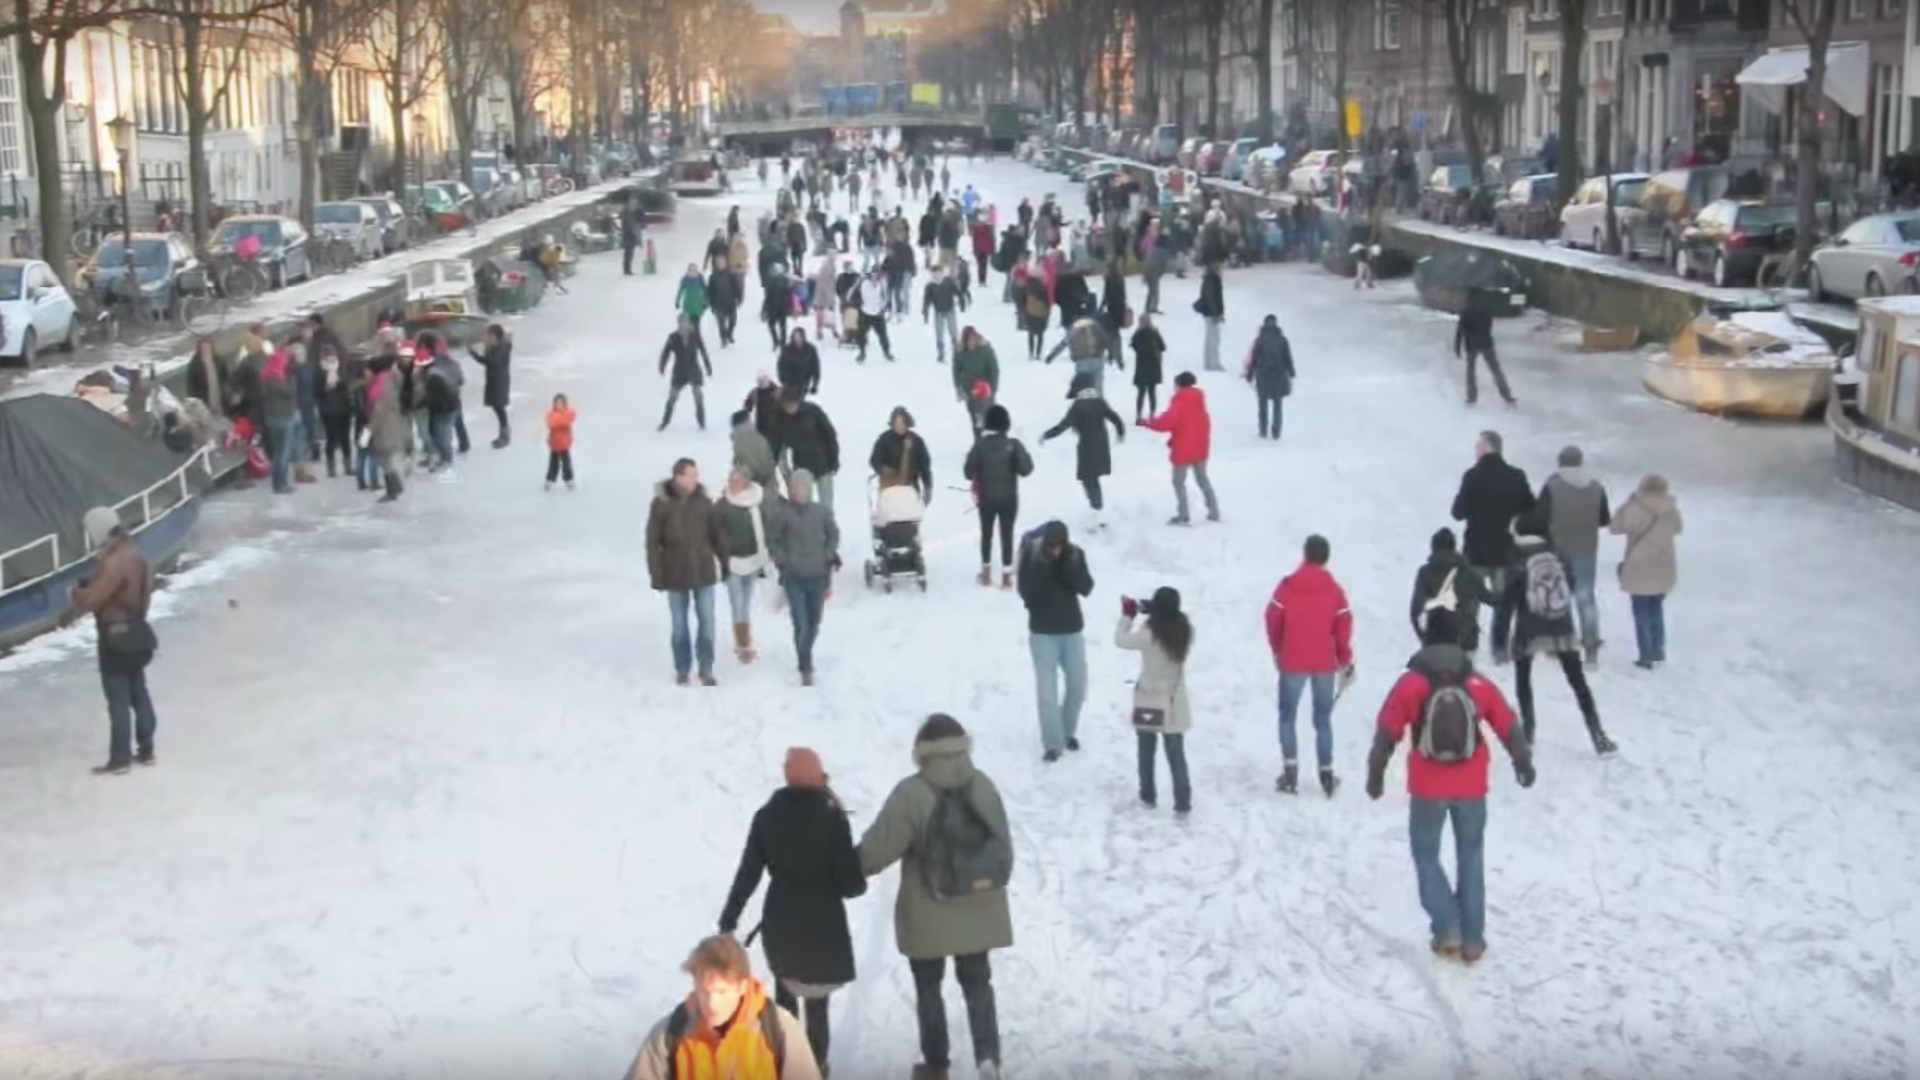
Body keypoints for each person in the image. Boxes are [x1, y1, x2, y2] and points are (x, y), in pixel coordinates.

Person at [1364, 608, 1536, 965]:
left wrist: (1376, 775)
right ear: (1459, 640)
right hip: (1472, 785)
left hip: (1428, 786)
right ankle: (1473, 940)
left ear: (1426, 638)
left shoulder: (1412, 683)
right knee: (1471, 857)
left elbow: (1387, 732)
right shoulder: (1475, 682)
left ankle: (1447, 929)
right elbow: (1507, 723)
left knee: (1426, 855)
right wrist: (1522, 761)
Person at [856, 713, 1010, 1080]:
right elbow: (1003, 846)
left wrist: (847, 868)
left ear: (922, 749)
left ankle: (937, 1064)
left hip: (928, 909)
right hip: (979, 904)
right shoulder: (984, 786)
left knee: (929, 987)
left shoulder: (912, 792)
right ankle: (988, 1058)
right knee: (977, 982)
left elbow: (880, 848)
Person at [717, 748, 865, 1076]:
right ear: (817, 776)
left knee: (787, 998)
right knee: (817, 1004)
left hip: (781, 924)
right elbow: (852, 884)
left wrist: (729, 917)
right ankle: (816, 1066)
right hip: (824, 925)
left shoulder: (767, 816)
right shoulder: (831, 816)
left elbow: (748, 873)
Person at [1493, 510, 1617, 755]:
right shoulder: (1558, 555)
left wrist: (1500, 639)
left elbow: (1506, 604)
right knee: (1577, 682)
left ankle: (1528, 731)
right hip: (1560, 625)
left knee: (1523, 678)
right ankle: (1598, 735)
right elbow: (1569, 585)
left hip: (1528, 629)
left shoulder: (1517, 560)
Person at [618, 934, 821, 1080]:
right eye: (705, 992)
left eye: (722, 992)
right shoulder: (669, 1034)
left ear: (742, 987)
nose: (712, 1004)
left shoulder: (778, 1028)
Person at [1264, 534, 1355, 796]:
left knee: (1287, 715)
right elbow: (1343, 627)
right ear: (1326, 557)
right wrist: (1344, 659)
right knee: (1323, 719)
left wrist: (1278, 647)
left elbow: (1272, 616)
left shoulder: (1288, 586)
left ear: (1305, 554)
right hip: (1324, 662)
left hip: (1292, 659)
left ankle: (1290, 770)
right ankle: (1326, 773)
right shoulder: (1335, 591)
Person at [71, 507, 159, 775]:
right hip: (136, 631)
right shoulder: (136, 554)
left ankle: (119, 760)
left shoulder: (112, 561)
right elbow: (142, 592)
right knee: (139, 693)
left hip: (113, 637)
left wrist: (76, 591)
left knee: (118, 699)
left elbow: (93, 600)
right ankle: (147, 751)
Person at [647, 458, 728, 687]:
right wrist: (656, 574)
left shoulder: (703, 502)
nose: (695, 479)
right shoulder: (661, 504)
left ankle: (706, 668)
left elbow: (717, 536)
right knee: (679, 625)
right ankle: (682, 668)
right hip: (675, 572)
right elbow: (653, 542)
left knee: (708, 623)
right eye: (691, 475)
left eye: (696, 474)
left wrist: (725, 563)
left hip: (703, 570)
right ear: (678, 476)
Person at [1017, 520, 1094, 762]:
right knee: (1047, 693)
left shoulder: (1075, 554)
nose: (1055, 550)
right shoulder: (1031, 555)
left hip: (1071, 629)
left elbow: (1086, 587)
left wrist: (1069, 566)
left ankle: (1067, 732)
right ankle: (1052, 742)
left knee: (1078, 687)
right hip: (1043, 632)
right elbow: (1026, 593)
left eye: (1060, 545)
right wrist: (1046, 566)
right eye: (1051, 546)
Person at [1116, 587, 1193, 813]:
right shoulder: (1185, 631)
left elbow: (1120, 639)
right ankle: (1182, 800)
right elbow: (1172, 618)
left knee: (1146, 750)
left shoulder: (1147, 634)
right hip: (1174, 700)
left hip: (1149, 698)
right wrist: (1154, 608)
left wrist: (1128, 616)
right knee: (1176, 754)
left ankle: (1148, 795)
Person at [1536, 445, 1611, 662]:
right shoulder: (1596, 487)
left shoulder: (1552, 486)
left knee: (1557, 598)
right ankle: (1590, 643)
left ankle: (1558, 643)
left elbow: (1539, 518)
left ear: (1560, 463)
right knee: (1586, 598)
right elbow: (1604, 520)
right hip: (1586, 549)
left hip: (1557, 550)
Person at [766, 469, 840, 686]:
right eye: (793, 487)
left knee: (814, 622)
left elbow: (833, 534)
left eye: (801, 487)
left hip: (817, 574)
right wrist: (782, 560)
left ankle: (805, 652)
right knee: (800, 622)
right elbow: (773, 539)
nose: (797, 491)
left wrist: (827, 554)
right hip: (794, 576)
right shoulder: (783, 514)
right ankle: (805, 665)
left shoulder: (821, 512)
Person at [1451, 430, 1535, 607]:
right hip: (1505, 551)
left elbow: (1457, 513)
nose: (1475, 449)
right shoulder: (1516, 476)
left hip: (1476, 551)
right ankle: (1501, 635)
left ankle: (1470, 634)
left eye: (1478, 445)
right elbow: (1531, 510)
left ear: (1487, 447)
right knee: (1504, 606)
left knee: (1470, 604)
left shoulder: (1472, 476)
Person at [1610, 473, 1683, 670]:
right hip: (1662, 565)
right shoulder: (1670, 508)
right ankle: (1658, 650)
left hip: (1638, 565)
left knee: (1641, 611)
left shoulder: (1634, 507)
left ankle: (1646, 655)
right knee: (1656, 609)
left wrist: (1625, 505)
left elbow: (1615, 527)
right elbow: (1678, 529)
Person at [1039, 374, 1126, 530]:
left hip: (1087, 448)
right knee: (1093, 480)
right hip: (1101, 446)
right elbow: (1115, 418)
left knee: (1089, 481)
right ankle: (1098, 513)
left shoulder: (1078, 406)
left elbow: (1063, 425)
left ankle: (1098, 515)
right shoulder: (1099, 402)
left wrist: (1047, 435)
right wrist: (1121, 432)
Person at [963, 405, 1033, 589]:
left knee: (986, 534)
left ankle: (985, 574)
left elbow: (968, 472)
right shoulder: (1013, 445)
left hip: (986, 498)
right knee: (1007, 535)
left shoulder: (980, 445)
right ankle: (1007, 576)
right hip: (1009, 498)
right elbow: (1026, 470)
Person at [1141, 371, 1219, 525]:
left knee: (1178, 482)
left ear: (1179, 385)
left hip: (1183, 448)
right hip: (1200, 447)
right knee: (1202, 479)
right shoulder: (1199, 400)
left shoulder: (1180, 401)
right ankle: (1214, 510)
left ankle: (1183, 514)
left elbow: (1166, 423)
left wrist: (1147, 422)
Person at [716, 466, 771, 664]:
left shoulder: (756, 501)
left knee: (746, 603)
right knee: (737, 603)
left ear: (745, 483)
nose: (732, 484)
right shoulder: (722, 505)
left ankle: (742, 637)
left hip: (753, 559)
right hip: (732, 562)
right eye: (730, 480)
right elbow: (714, 531)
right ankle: (744, 645)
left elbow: (765, 526)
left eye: (736, 480)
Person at [1409, 526, 1487, 651]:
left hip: (1436, 638)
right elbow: (1489, 598)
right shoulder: (1469, 572)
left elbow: (1415, 612)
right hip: (1466, 639)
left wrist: (1423, 637)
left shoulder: (1425, 572)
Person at [773, 386, 841, 507]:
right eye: (786, 404)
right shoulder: (781, 419)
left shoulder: (813, 411)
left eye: (791, 403)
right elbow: (779, 447)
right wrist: (786, 474)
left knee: (826, 505)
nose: (789, 407)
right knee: (802, 505)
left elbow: (830, 436)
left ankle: (826, 524)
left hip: (822, 462)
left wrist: (834, 459)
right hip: (801, 466)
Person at [1454, 288, 1517, 406]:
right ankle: (1506, 395)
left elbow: (1460, 331)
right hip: (1486, 343)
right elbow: (1489, 325)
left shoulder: (1466, 311)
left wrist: (1457, 347)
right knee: (1495, 370)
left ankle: (1471, 397)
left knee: (1471, 372)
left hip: (1471, 345)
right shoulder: (1486, 309)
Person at [364, 352, 408, 503]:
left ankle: (393, 489)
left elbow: (377, 412)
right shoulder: (390, 378)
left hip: (384, 427)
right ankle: (395, 487)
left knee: (384, 458)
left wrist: (365, 435)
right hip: (395, 423)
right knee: (387, 458)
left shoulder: (379, 387)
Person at [658, 315, 714, 431]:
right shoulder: (673, 337)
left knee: (698, 396)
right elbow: (666, 352)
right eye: (680, 324)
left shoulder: (695, 336)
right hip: (679, 372)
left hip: (693, 370)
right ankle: (665, 421)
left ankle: (701, 422)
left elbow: (703, 351)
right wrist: (662, 366)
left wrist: (708, 367)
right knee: (672, 397)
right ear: (678, 324)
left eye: (685, 323)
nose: (683, 326)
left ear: (689, 324)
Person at [1244, 314, 1295, 440]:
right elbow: (1287, 358)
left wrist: (1250, 375)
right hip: (1279, 375)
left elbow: (1254, 359)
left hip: (1264, 375)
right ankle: (1276, 431)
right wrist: (1291, 373)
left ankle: (1263, 429)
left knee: (1263, 403)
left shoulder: (1259, 340)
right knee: (1278, 404)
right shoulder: (1283, 340)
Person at [868, 406, 933, 504]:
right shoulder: (884, 440)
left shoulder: (916, 441)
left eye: (902, 422)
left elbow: (924, 466)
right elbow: (875, 460)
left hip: (910, 487)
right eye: (897, 423)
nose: (899, 426)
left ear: (907, 423)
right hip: (889, 488)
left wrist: (928, 487)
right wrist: (884, 470)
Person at [469, 323, 513, 448]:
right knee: (496, 406)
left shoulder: (503, 347)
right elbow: (486, 361)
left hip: (500, 381)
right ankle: (503, 432)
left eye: (489, 335)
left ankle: (505, 434)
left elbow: (493, 361)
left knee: (499, 407)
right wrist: (474, 354)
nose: (486, 338)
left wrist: (487, 349)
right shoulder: (494, 347)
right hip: (493, 380)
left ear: (496, 336)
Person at [314, 348, 354, 478]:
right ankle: (331, 467)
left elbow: (347, 385)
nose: (331, 359)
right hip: (328, 410)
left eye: (333, 356)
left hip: (344, 408)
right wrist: (327, 385)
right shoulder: (319, 372)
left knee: (345, 438)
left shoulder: (342, 370)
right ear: (323, 358)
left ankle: (348, 465)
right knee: (332, 438)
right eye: (328, 357)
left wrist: (341, 382)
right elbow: (317, 392)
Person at [951, 327, 999, 435]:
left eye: (973, 340)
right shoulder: (960, 353)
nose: (971, 343)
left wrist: (993, 388)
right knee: (976, 421)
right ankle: (978, 444)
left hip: (986, 391)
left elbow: (994, 370)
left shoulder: (986, 350)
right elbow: (956, 371)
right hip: (970, 391)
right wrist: (959, 387)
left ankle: (991, 443)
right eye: (968, 341)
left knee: (987, 418)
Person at [1129, 314, 1165, 423]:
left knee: (1141, 392)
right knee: (1152, 392)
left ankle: (1139, 415)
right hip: (1153, 366)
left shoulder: (1137, 334)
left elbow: (1133, 346)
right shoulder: (1154, 333)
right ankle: (1152, 415)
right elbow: (1163, 347)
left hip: (1141, 366)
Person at [922, 266, 962, 363]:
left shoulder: (948, 281)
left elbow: (957, 291)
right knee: (939, 334)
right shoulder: (930, 286)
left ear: (942, 272)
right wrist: (925, 311)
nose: (937, 276)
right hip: (938, 312)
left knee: (953, 332)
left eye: (939, 273)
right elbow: (926, 300)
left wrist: (961, 300)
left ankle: (956, 353)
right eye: (935, 274)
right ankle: (941, 354)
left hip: (950, 310)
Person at [733, 407, 778, 490]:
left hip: (749, 480)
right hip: (767, 477)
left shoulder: (737, 438)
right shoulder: (760, 430)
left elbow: (738, 460)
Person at [856, 268, 893, 362]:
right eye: (874, 275)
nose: (875, 277)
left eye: (878, 275)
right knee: (861, 334)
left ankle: (887, 352)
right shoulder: (864, 283)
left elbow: (887, 298)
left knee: (883, 335)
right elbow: (856, 295)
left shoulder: (882, 284)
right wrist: (859, 305)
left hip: (878, 314)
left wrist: (885, 309)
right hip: (865, 313)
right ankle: (862, 353)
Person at [1194, 264, 1225, 371]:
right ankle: (1213, 363)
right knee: (1214, 339)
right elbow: (1212, 299)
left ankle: (1209, 362)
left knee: (1210, 338)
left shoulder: (1209, 281)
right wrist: (1216, 314)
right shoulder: (1213, 281)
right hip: (1211, 314)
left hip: (1209, 313)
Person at [544, 393, 576, 490]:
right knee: (553, 463)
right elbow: (550, 423)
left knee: (566, 463)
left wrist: (559, 421)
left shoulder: (568, 414)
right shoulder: (551, 415)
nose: (559, 405)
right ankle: (550, 479)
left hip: (564, 444)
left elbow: (569, 419)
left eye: (561, 403)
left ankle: (569, 479)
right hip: (554, 444)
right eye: (557, 403)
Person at [778, 327, 822, 396]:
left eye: (799, 337)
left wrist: (815, 385)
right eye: (795, 337)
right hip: (790, 381)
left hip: (804, 381)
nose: (797, 339)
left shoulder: (810, 349)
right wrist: (783, 379)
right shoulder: (787, 350)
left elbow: (815, 366)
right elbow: (781, 365)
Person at [709, 262, 742, 347]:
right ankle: (723, 339)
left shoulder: (731, 275)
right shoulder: (713, 277)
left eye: (722, 263)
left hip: (730, 302)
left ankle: (729, 334)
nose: (721, 265)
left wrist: (739, 297)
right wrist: (711, 303)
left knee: (733, 321)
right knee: (721, 323)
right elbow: (710, 291)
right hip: (718, 303)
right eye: (719, 263)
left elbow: (736, 287)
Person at [764, 264, 795, 350]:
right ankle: (783, 342)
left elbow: (768, 296)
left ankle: (775, 341)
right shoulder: (786, 281)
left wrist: (765, 308)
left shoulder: (770, 282)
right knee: (783, 325)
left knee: (771, 325)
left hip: (773, 307)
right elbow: (790, 293)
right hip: (783, 307)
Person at [676, 263, 709, 330]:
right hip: (688, 305)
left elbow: (705, 291)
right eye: (691, 270)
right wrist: (677, 301)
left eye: (694, 270)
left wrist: (706, 302)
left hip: (697, 305)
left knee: (696, 323)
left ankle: (696, 336)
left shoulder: (700, 278)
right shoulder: (685, 279)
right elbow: (680, 291)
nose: (692, 272)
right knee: (688, 323)